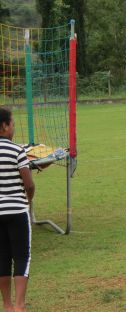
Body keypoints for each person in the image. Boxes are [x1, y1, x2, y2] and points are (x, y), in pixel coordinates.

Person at [0, 107, 35, 312]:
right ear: (4, 126)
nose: (13, 127)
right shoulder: (17, 150)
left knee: (2, 257)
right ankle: (19, 305)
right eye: (12, 124)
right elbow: (29, 184)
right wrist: (27, 200)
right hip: (17, 211)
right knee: (21, 256)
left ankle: (7, 305)